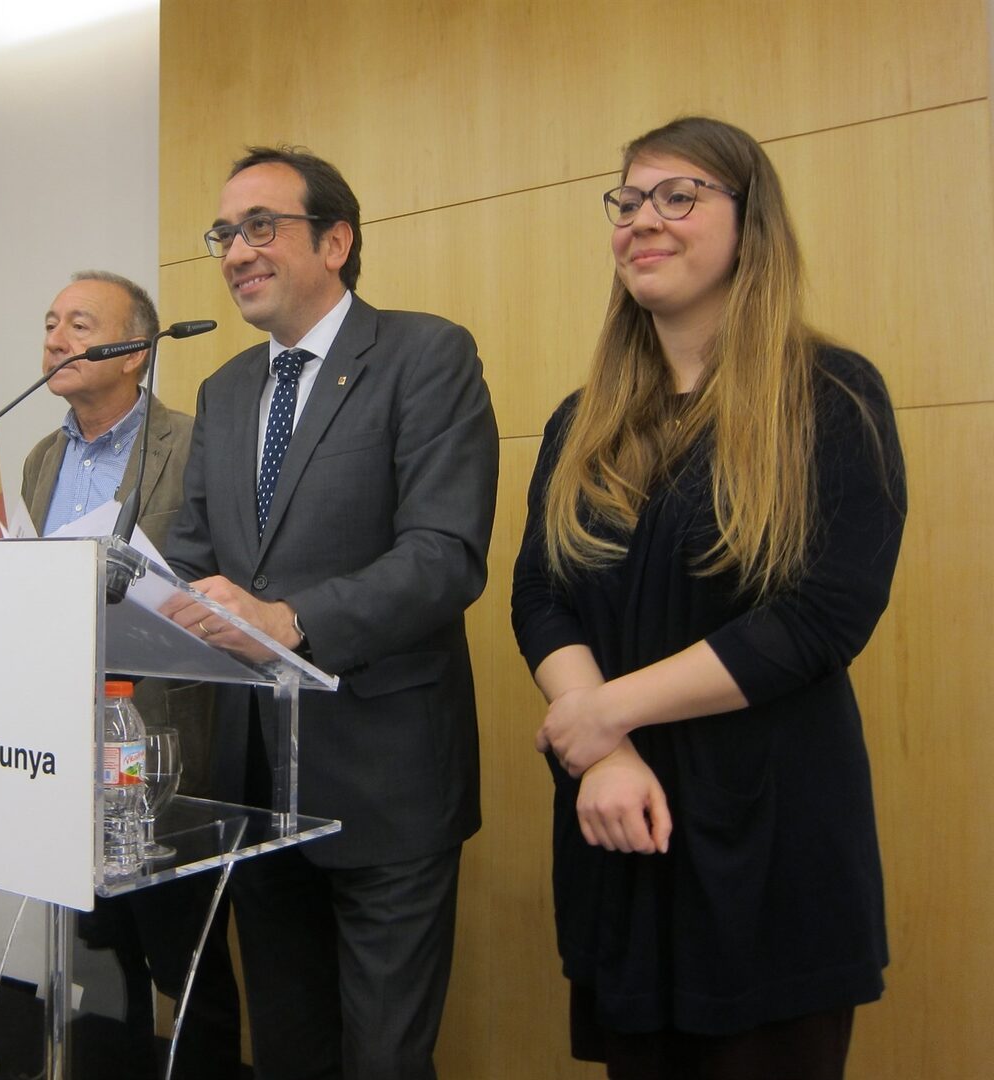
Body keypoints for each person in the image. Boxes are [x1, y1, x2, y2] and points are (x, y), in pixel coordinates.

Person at [510, 116, 905, 1080]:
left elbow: (820, 618)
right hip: (618, 829)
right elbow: (540, 595)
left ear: (748, 221)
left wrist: (603, 715)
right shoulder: (581, 422)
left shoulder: (832, 395)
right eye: (628, 201)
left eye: (678, 196)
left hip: (771, 847)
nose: (643, 220)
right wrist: (604, 750)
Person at [161, 146, 500, 1079]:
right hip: (256, 784)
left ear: (336, 241)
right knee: (287, 1054)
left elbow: (445, 555)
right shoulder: (225, 390)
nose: (236, 252)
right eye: (225, 234)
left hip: (387, 780)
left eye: (260, 227)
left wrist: (290, 618)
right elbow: (192, 554)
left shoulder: (425, 355)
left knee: (384, 1060)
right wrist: (130, 593)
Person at [20, 270, 240, 1079]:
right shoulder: (41, 458)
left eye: (79, 325)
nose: (56, 339)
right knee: (97, 950)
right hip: (66, 737)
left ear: (136, 352)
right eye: (50, 323)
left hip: (163, 737)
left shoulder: (194, 442)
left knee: (183, 958)